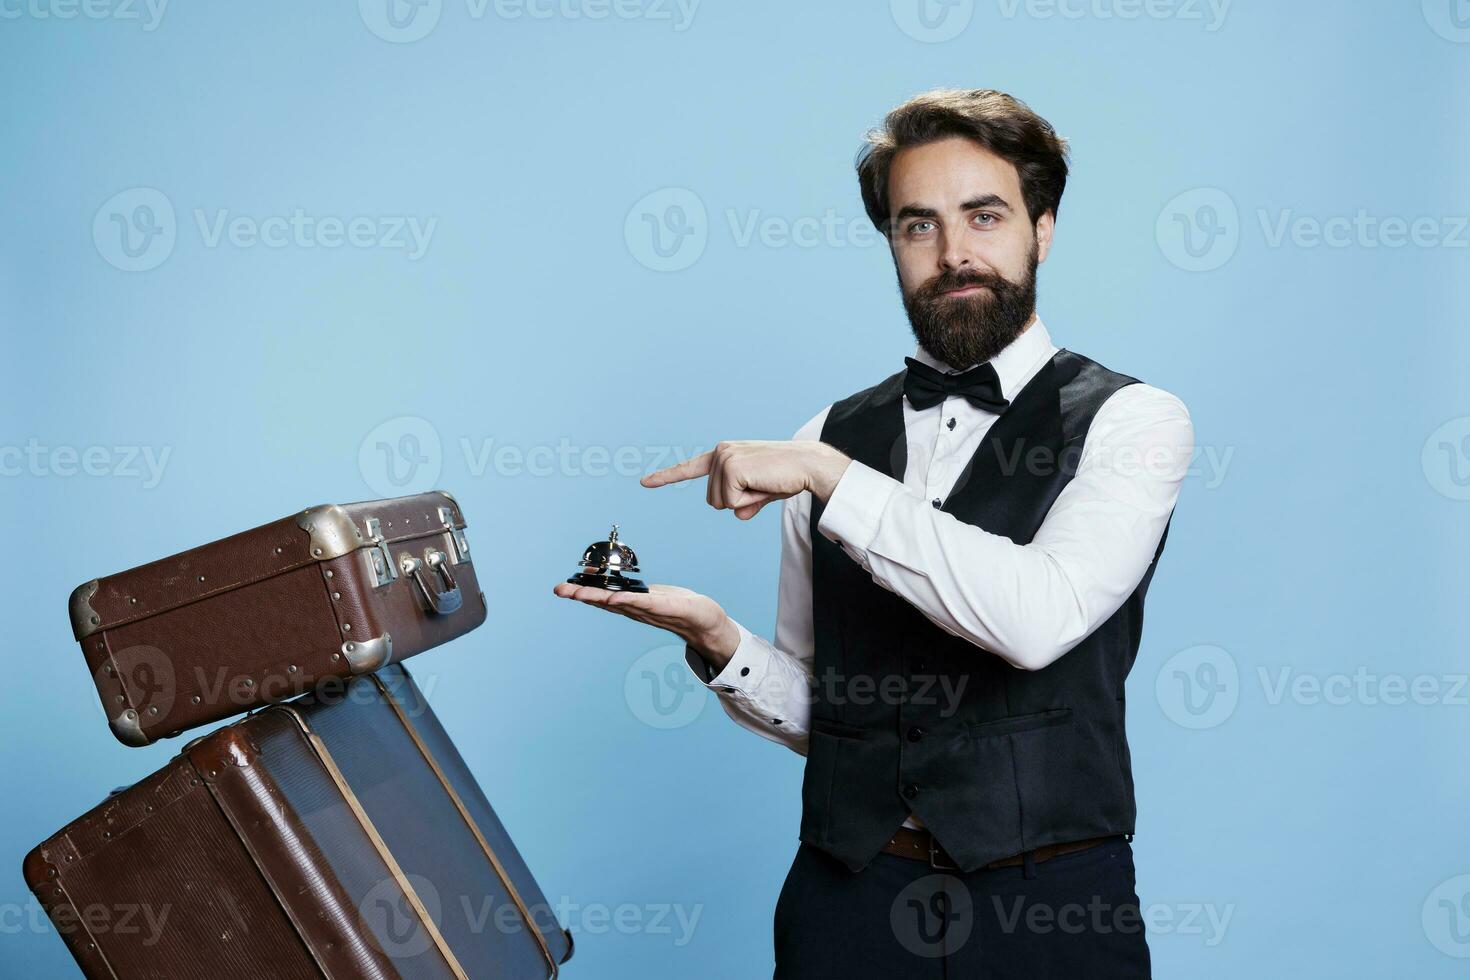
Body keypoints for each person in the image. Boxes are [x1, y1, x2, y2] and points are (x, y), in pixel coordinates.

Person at [554, 88, 1193, 978]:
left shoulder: (1134, 421)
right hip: (846, 899)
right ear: (889, 241)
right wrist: (716, 640)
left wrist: (831, 481)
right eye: (917, 225)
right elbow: (833, 713)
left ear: (1043, 228)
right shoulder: (828, 431)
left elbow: (1035, 619)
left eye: (985, 216)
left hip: (1048, 908)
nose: (954, 252)